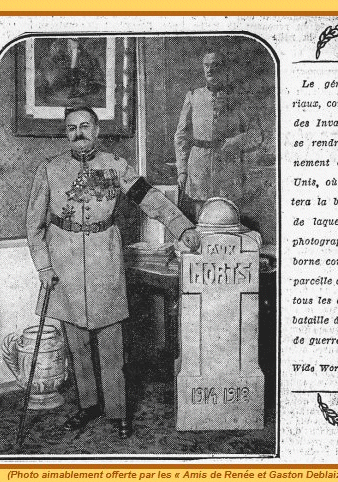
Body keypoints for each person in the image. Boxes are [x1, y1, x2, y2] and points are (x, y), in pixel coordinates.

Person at [26, 105, 200, 437]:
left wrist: (182, 228)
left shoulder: (115, 167)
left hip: (104, 261)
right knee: (76, 344)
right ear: (66, 134)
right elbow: (33, 226)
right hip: (63, 265)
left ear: (97, 130)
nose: (78, 133)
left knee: (111, 343)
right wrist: (44, 266)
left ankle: (118, 411)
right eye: (71, 128)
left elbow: (151, 200)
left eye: (85, 126)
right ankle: (88, 406)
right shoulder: (49, 170)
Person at [174, 50, 263, 223]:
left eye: (216, 66)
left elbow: (256, 134)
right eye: (206, 65)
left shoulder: (238, 97)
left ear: (225, 69)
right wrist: (182, 170)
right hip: (199, 166)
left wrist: (235, 142)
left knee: (228, 218)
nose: (210, 70)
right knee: (202, 219)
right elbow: (181, 136)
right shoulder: (193, 96)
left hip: (228, 168)